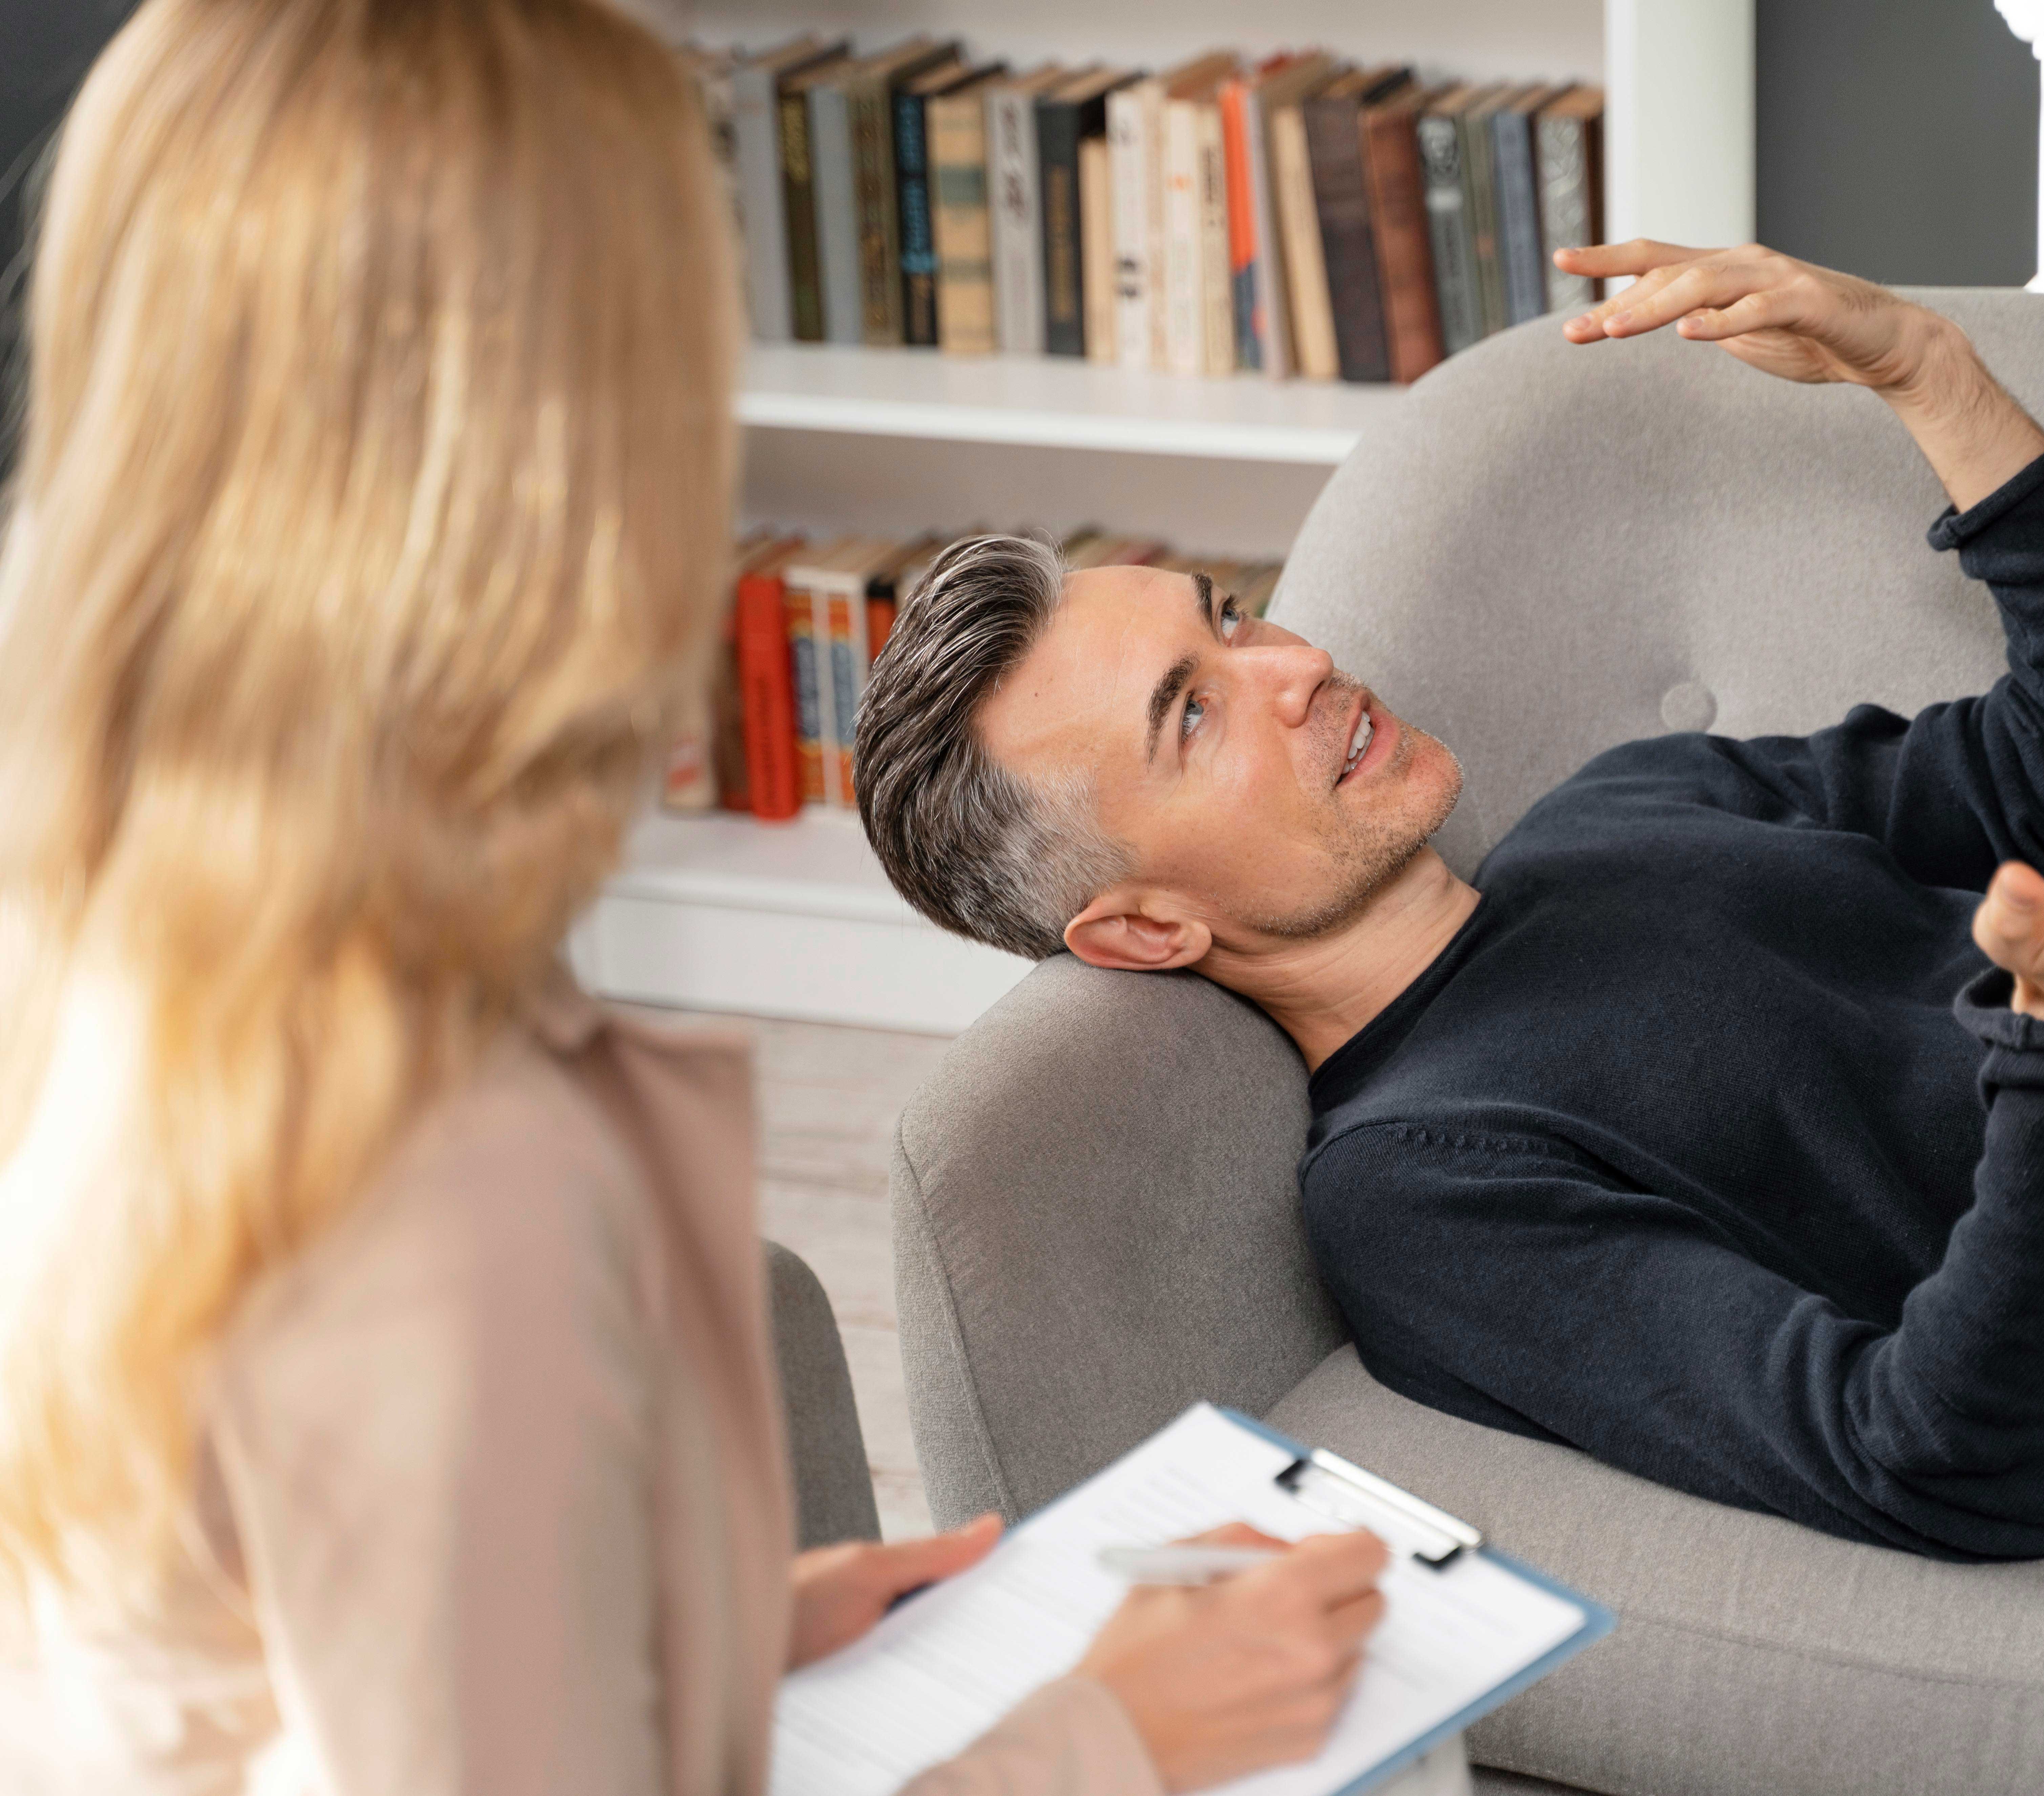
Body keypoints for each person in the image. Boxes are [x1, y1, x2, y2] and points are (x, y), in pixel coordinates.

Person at [0, 3, 1388, 1790]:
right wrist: (1115, 1732)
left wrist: (655, 1648)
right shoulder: (449, 1171)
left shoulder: (112, 945)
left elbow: (267, 1675)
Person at [856, 237, 2044, 1564]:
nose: (1293, 668)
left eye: (1234, 618)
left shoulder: (1626, 813)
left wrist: (1930, 374)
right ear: (1142, 930)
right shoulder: (1422, 1187)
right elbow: (1954, 1466)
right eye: (1195, 712)